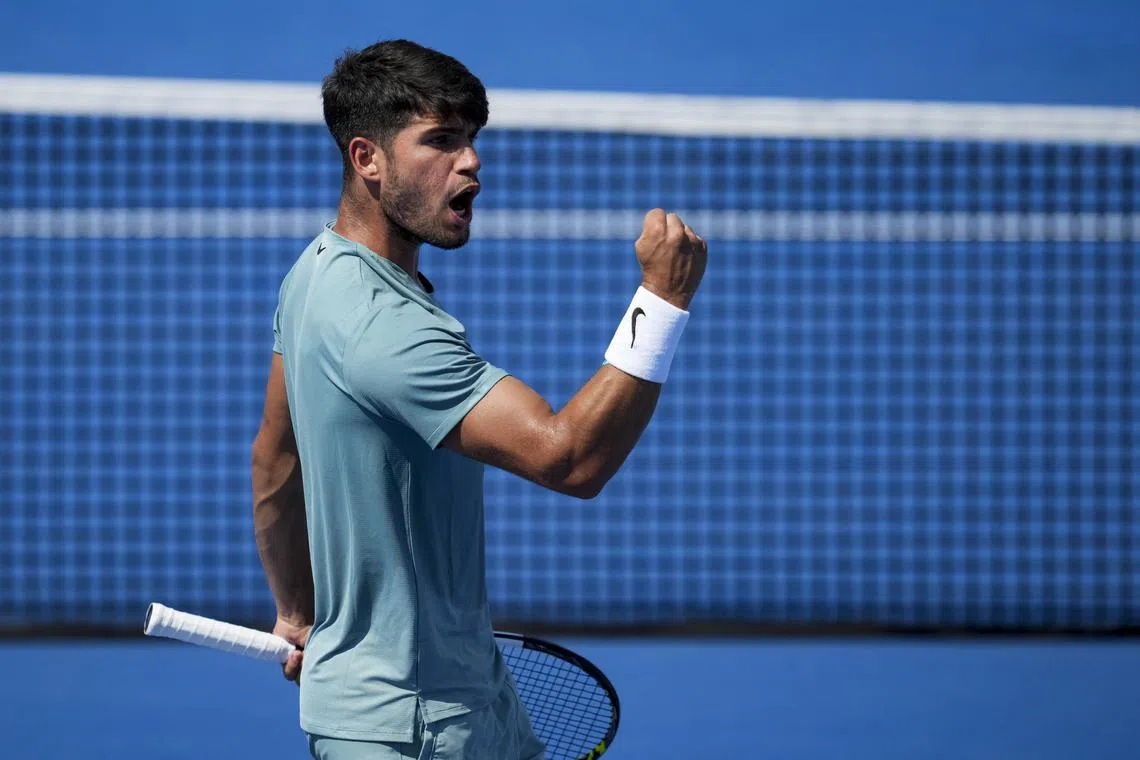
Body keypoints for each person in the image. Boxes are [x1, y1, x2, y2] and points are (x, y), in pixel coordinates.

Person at [251, 39, 707, 760]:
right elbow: (571, 459)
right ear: (366, 158)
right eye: (440, 141)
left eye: (471, 139)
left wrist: (297, 611)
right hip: (413, 729)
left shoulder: (311, 275)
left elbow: (274, 460)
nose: (472, 162)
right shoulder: (386, 330)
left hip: (466, 699)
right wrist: (663, 300)